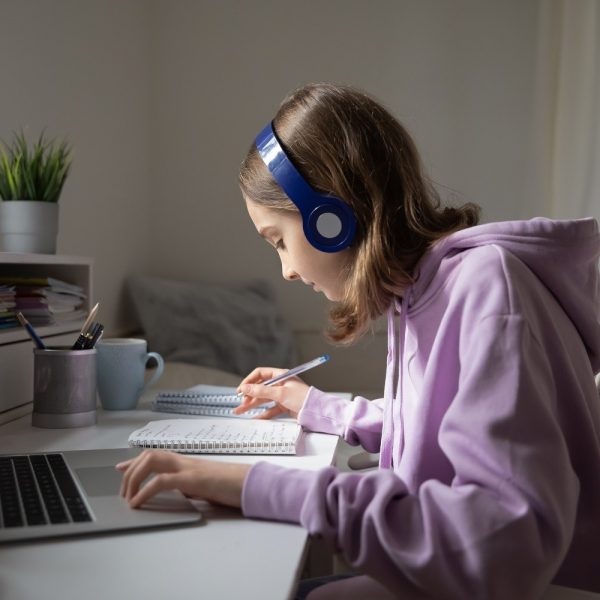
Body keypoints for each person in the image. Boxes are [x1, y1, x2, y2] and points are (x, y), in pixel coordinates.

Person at [117, 83, 600, 599]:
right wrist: (320, 408)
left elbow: (503, 547)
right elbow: (430, 425)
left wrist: (250, 485)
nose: (285, 270)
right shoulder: (421, 294)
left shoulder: (485, 288)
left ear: (331, 219)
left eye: (280, 241)